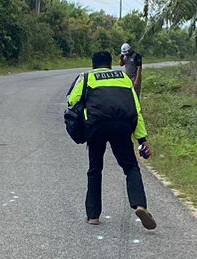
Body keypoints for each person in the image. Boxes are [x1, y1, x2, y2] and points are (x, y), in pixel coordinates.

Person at [66, 50, 156, 229]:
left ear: (93, 65)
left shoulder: (86, 77)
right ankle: (140, 205)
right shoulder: (123, 78)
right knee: (130, 166)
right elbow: (136, 109)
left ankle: (93, 215)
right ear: (110, 64)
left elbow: (72, 100)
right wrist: (142, 139)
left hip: (97, 126)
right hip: (122, 126)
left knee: (95, 168)